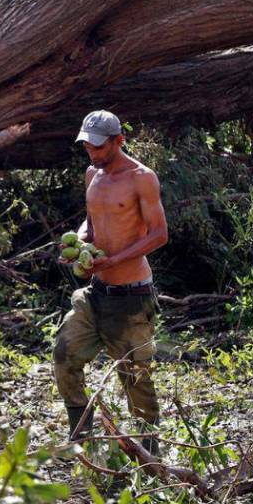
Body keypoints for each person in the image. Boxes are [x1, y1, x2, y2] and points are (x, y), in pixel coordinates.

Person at [54, 110, 168, 455]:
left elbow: (159, 234)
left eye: (99, 147)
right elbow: (92, 223)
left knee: (135, 376)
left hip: (132, 295)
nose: (93, 153)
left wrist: (115, 260)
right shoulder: (92, 173)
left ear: (119, 141)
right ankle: (81, 440)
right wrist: (79, 246)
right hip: (95, 292)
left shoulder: (141, 178)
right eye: (87, 146)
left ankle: (151, 453)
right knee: (64, 355)